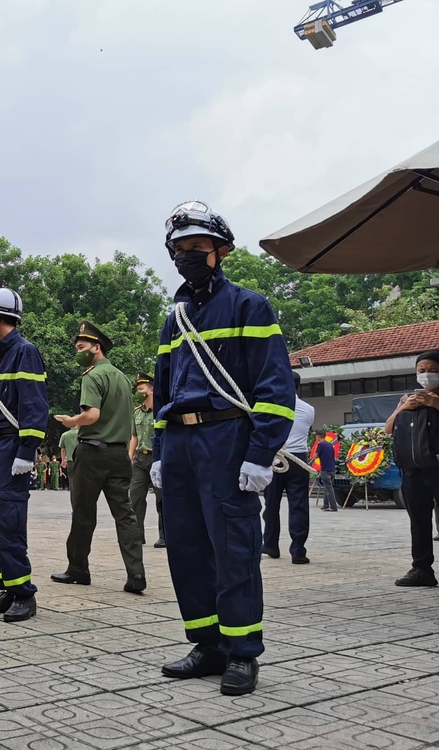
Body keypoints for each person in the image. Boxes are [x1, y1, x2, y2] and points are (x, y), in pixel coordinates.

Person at [152, 201, 294, 697]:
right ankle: (207, 644)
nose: (187, 255)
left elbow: (276, 388)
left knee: (233, 548)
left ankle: (242, 652)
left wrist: (260, 453)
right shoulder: (175, 317)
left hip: (227, 438)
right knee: (186, 549)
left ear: (220, 251)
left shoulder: (249, 305)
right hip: (180, 442)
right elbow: (163, 388)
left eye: (197, 246)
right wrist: (156, 451)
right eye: (180, 248)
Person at [0, 286, 49, 624]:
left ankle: (24, 594)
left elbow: (34, 406)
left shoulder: (24, 352)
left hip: (11, 448)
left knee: (8, 521)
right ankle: (7, 586)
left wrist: (27, 452)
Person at [52, 321, 146, 594]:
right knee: (125, 514)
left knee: (83, 513)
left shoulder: (92, 376)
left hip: (92, 452)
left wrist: (72, 421)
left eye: (82, 347)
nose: (78, 352)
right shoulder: (121, 377)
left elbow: (92, 415)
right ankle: (136, 573)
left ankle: (78, 570)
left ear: (97, 347)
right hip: (119, 454)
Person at [386, 350, 439, 587]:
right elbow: (389, 428)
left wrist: (436, 403)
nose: (426, 375)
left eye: (432, 370)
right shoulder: (408, 399)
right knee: (418, 522)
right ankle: (421, 569)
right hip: (413, 471)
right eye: (422, 371)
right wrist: (403, 407)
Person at [263, 372, 316, 563]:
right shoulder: (308, 409)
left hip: (276, 457)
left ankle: (270, 544)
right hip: (299, 459)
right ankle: (298, 551)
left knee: (271, 504)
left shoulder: (271, 407)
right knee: (299, 506)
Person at [129, 371, 164, 547]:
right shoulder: (137, 412)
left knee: (161, 499)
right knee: (135, 497)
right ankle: (137, 535)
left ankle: (164, 535)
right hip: (139, 460)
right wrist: (129, 457)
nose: (138, 391)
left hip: (157, 459)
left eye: (141, 388)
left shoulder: (161, 411)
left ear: (151, 390)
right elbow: (134, 437)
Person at [314, 430, 338, 513]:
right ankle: (326, 505)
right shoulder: (330, 445)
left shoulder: (320, 445)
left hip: (325, 469)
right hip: (332, 469)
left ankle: (333, 507)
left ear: (318, 436)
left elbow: (315, 456)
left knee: (329, 488)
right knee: (327, 488)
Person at [59, 427, 78, 492]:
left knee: (71, 479)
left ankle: (73, 497)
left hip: (70, 461)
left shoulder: (65, 435)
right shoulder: (81, 434)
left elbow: (63, 449)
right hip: (80, 461)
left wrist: (63, 460)